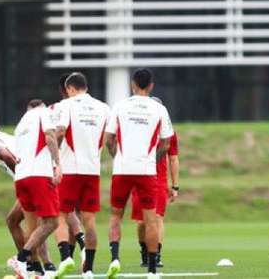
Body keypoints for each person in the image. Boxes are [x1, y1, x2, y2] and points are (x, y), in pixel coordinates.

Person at [105, 68, 174, 279]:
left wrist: (118, 157)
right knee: (151, 218)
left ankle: (115, 259)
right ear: (151, 85)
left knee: (116, 216)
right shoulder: (158, 109)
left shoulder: (119, 106)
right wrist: (152, 160)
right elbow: (166, 143)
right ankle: (152, 271)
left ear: (132, 84)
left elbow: (109, 139)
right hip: (146, 170)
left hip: (122, 169)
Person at [0, 112, 55, 276]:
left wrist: (19, 173)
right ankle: (43, 265)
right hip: (39, 176)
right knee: (15, 220)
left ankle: (28, 263)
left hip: (29, 179)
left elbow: (5, 155)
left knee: (32, 224)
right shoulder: (8, 137)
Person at [52, 72, 110, 279]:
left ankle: (66, 257)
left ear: (69, 89)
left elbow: (59, 132)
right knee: (89, 219)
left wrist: (54, 161)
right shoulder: (104, 108)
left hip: (69, 168)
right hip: (92, 170)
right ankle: (89, 270)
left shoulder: (65, 105)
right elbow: (108, 137)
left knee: (60, 213)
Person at [7, 100, 63, 279]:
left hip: (21, 178)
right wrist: (58, 164)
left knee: (34, 227)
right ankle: (21, 259)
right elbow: (50, 136)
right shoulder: (43, 113)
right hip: (39, 174)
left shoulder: (21, 123)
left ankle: (35, 269)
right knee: (52, 222)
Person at [130, 97, 179, 269]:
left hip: (159, 181)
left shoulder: (169, 133)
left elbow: (173, 159)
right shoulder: (138, 129)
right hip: (139, 177)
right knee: (141, 221)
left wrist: (175, 186)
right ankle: (144, 250)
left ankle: (156, 254)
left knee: (157, 217)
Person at [49, 73, 86, 259]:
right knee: (77, 213)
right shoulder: (89, 109)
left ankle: (65, 257)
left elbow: (51, 136)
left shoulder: (55, 109)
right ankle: (79, 253)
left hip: (64, 168)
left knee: (61, 213)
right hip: (87, 169)